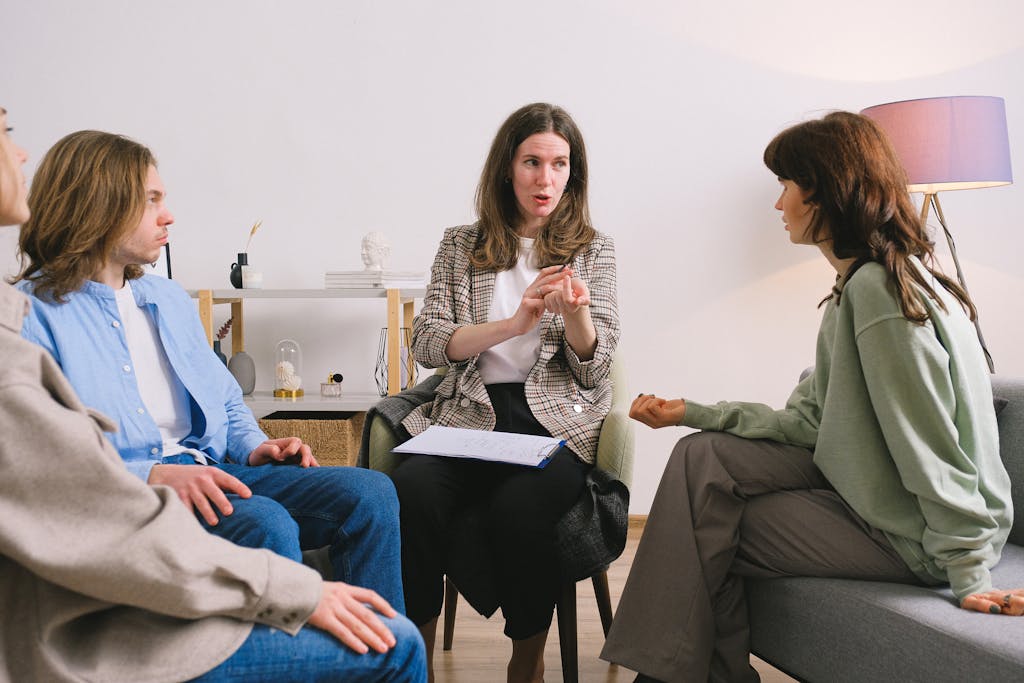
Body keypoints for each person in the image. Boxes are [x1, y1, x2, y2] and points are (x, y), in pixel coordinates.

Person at [0, 108, 426, 682]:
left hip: (213, 468)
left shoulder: (169, 301)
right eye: (151, 200)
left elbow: (225, 397)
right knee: (265, 522)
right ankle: (282, 662)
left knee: (371, 493)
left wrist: (254, 447)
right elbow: (50, 475)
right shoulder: (32, 316)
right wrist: (149, 474)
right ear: (99, 205)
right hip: (134, 493)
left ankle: (366, 656)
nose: (168, 215)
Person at [600, 111, 1019, 683]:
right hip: (884, 503)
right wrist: (692, 413)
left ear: (826, 193)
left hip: (918, 535)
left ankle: (679, 677)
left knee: (702, 525)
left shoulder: (880, 294)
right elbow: (809, 422)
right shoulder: (860, 284)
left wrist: (970, 573)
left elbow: (932, 443)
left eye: (786, 186)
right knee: (702, 457)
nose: (778, 205)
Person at [389, 102, 620, 683]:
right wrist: (514, 324)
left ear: (574, 173)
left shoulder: (594, 248)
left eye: (559, 164)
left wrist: (578, 319)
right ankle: (413, 644)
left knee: (519, 509)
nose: (546, 179)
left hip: (552, 423)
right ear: (506, 168)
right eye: (532, 162)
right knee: (410, 487)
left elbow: (594, 370)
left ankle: (527, 656)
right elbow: (429, 343)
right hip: (470, 415)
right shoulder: (460, 245)